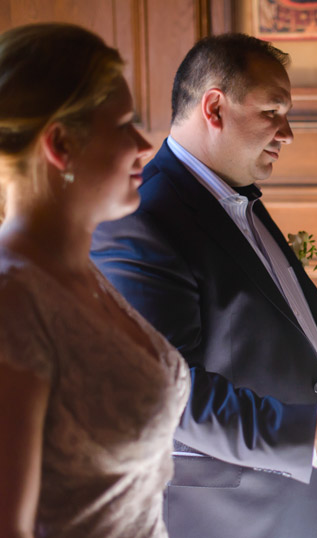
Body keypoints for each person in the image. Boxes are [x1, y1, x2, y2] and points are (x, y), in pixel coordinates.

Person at [91, 33, 317, 538]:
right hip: (230, 518)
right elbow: (164, 392)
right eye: (272, 112)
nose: (287, 133)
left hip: (297, 507)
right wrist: (303, 434)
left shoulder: (234, 196)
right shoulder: (145, 217)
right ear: (214, 107)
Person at [0, 23, 188, 537]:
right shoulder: (13, 302)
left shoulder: (80, 271)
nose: (144, 145)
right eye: (124, 125)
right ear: (60, 144)